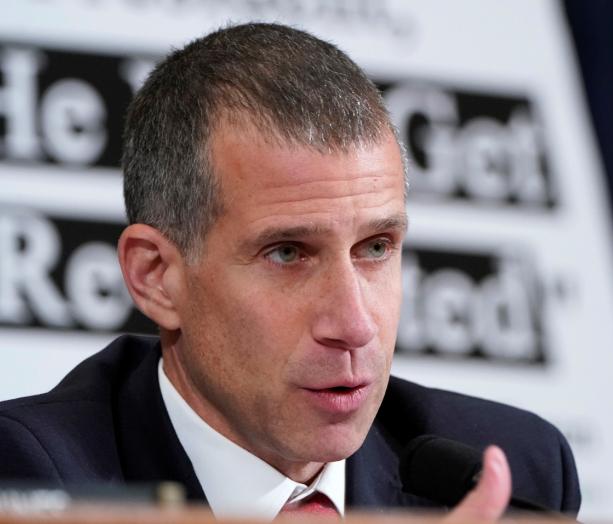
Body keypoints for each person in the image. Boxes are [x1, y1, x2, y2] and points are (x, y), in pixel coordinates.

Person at [0, 23, 580, 520]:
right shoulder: (36, 481)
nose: (354, 325)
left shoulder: (508, 473)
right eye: (287, 254)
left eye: (375, 247)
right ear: (156, 276)